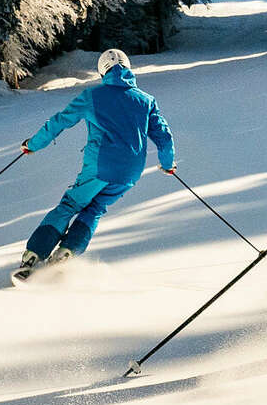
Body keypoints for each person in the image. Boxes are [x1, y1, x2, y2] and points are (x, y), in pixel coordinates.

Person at [12, 48, 176, 282]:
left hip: (100, 167)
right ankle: (67, 253)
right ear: (128, 68)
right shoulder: (146, 100)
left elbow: (60, 121)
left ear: (102, 71)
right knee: (95, 209)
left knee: (70, 204)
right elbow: (164, 136)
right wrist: (168, 164)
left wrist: (34, 144)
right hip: (130, 172)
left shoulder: (92, 96)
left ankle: (34, 255)